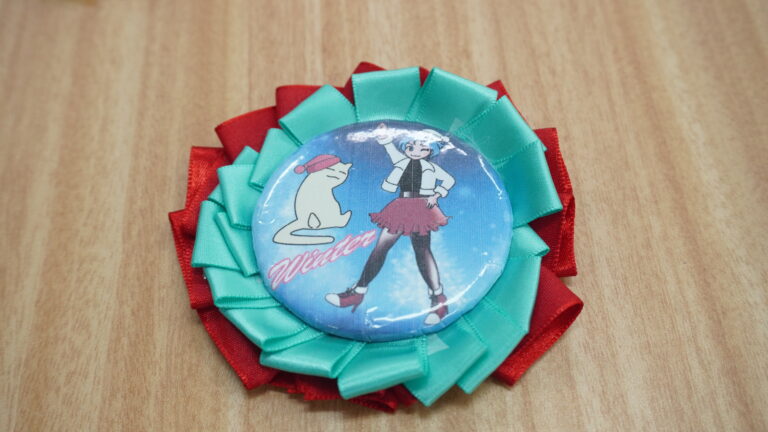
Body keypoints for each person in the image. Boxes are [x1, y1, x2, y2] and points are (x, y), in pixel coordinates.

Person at [325, 123, 455, 325]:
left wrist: (436, 195)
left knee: (422, 250)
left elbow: (448, 181)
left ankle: (438, 299)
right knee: (381, 246)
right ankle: (358, 291)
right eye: (411, 147)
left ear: (430, 151)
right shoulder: (401, 161)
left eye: (422, 148)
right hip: (401, 205)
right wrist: (384, 136)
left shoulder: (432, 168)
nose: (415, 151)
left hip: (422, 207)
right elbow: (389, 147)